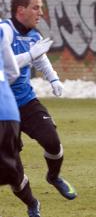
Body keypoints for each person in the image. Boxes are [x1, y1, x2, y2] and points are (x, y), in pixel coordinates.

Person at [0, 0, 77, 200]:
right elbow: (7, 64)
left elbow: (40, 59)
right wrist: (30, 55)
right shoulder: (4, 30)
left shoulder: (33, 34)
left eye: (41, 8)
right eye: (36, 8)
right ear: (20, 10)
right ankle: (32, 203)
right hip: (4, 107)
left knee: (53, 142)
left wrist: (54, 79)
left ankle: (54, 176)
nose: (41, 13)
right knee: (12, 166)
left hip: (26, 101)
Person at [0, 26, 40, 216]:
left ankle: (32, 202)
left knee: (12, 173)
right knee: (11, 172)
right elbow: (12, 72)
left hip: (4, 113)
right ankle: (32, 203)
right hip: (8, 112)